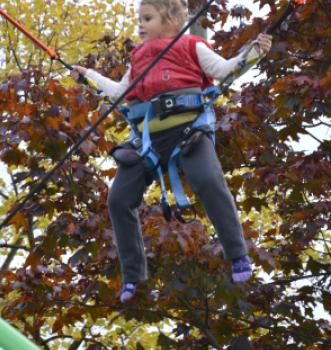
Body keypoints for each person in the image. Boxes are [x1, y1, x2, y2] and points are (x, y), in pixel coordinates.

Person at [71, 0, 272, 303]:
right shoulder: (138, 58)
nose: (140, 25)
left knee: (208, 181)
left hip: (188, 134)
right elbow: (119, 92)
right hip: (148, 142)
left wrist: (253, 52)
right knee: (118, 199)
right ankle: (132, 274)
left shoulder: (191, 45)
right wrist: (89, 75)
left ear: (173, 20)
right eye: (139, 19)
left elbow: (225, 70)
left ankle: (238, 254)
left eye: (147, 18)